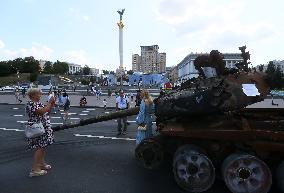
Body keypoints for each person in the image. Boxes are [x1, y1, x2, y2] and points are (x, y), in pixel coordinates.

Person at [25, 88, 56, 177]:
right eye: (39, 93)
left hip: (43, 128)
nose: (40, 95)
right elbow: (41, 111)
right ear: (33, 95)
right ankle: (35, 169)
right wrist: (50, 103)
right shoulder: (31, 104)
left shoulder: (39, 103)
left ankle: (41, 164)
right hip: (37, 129)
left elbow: (46, 112)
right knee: (39, 147)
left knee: (43, 146)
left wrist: (51, 104)